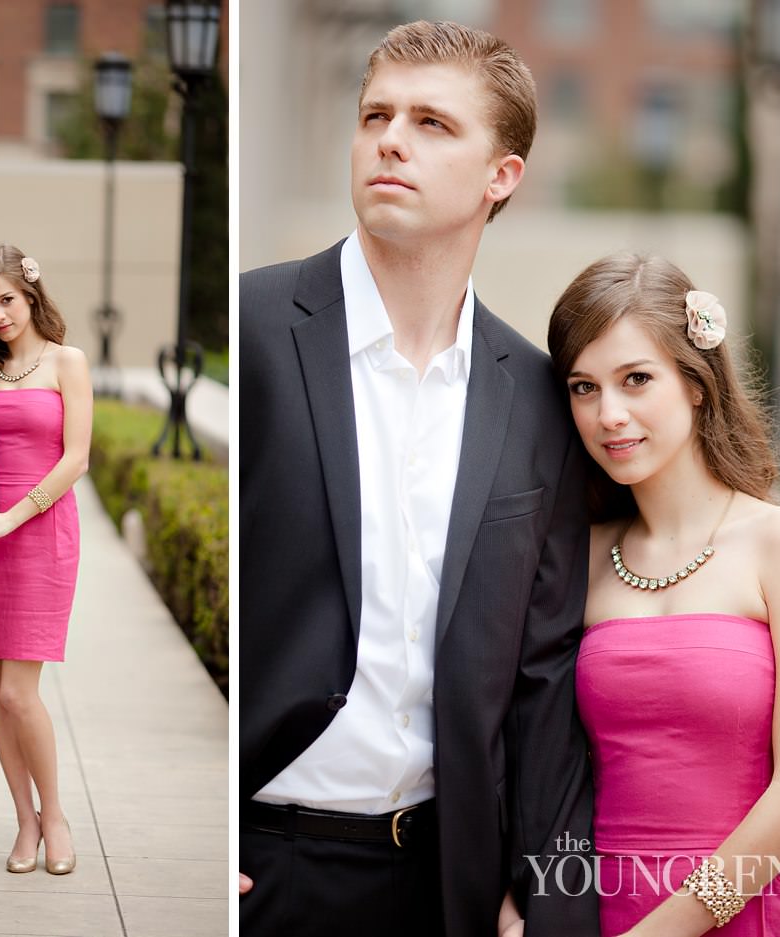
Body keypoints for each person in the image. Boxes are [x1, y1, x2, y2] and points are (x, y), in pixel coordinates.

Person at [240, 19, 598, 936]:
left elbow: (543, 681)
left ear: (500, 176)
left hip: (448, 889)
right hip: (260, 868)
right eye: (375, 116)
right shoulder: (254, 330)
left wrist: (548, 904)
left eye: (433, 123)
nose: (390, 138)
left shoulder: (539, 401)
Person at [546, 252, 780, 935]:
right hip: (592, 908)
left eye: (636, 379)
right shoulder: (580, 556)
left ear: (697, 383)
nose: (609, 414)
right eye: (584, 387)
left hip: (745, 915)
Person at [0, 244, 91, 876]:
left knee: (19, 692)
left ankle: (57, 814)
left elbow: (76, 460)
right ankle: (25, 822)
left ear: (31, 295)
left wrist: (13, 517)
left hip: (41, 532)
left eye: (7, 300)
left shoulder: (68, 362)